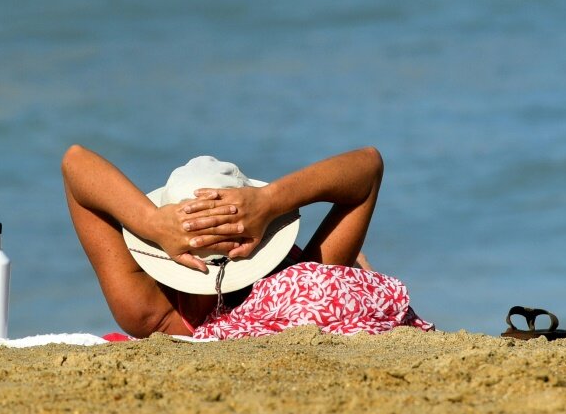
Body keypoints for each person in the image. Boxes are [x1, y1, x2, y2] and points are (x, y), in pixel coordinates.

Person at [61, 145, 387, 338]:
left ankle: (359, 263)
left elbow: (75, 162)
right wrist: (270, 200)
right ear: (258, 241)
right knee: (352, 269)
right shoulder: (300, 288)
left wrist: (151, 221)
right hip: (291, 270)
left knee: (351, 265)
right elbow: (368, 166)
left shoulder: (152, 313)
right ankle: (359, 264)